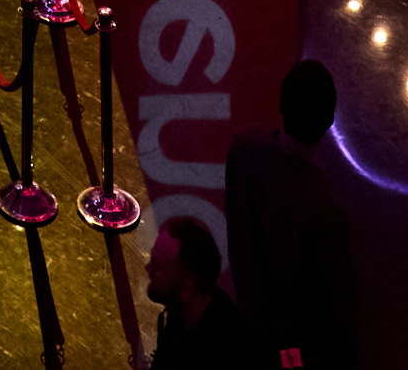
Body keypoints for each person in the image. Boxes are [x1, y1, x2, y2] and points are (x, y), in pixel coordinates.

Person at [227, 59, 359, 370]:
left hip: (248, 332)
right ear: (328, 122)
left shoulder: (244, 147)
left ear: (283, 104)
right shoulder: (323, 213)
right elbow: (335, 314)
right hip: (290, 354)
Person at [144, 212, 241, 370]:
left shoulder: (221, 352)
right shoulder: (181, 310)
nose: (148, 268)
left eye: (158, 267)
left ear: (187, 288)